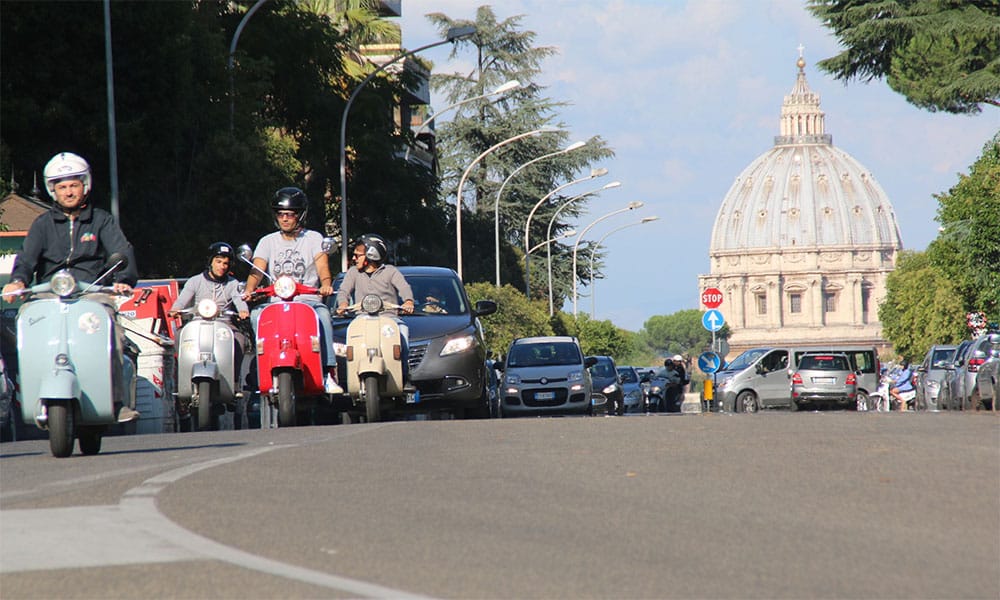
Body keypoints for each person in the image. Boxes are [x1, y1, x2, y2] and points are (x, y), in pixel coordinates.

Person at [1, 152, 140, 422]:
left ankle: (116, 400)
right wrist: (18, 281)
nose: (68, 191)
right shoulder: (42, 224)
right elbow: (27, 259)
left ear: (85, 185)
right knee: (25, 327)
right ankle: (25, 395)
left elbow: (122, 252)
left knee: (113, 332)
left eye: (73, 184)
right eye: (61, 186)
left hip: (93, 292)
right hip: (48, 293)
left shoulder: (102, 221)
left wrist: (122, 280)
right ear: (52, 190)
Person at [241, 187, 342, 394]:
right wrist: (250, 289)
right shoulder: (267, 241)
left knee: (323, 317)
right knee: (256, 316)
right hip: (276, 302)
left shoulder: (314, 239)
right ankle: (262, 369)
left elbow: (323, 267)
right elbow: (257, 270)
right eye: (280, 214)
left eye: (290, 214)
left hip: (308, 301)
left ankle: (327, 372)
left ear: (300, 215)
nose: (285, 219)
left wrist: (325, 284)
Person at [335, 233, 415, 391]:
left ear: (371, 255)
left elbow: (404, 287)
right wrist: (343, 303)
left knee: (403, 332)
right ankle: (345, 377)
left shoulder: (390, 271)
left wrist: (408, 301)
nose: (354, 258)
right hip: (362, 318)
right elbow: (343, 290)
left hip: (389, 318)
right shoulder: (353, 273)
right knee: (350, 340)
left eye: (358, 254)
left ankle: (405, 376)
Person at [168, 242, 251, 388]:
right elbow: (182, 300)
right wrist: (176, 309)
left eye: (225, 263)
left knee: (239, 340)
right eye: (218, 261)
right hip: (197, 321)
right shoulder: (195, 281)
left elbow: (239, 299)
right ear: (210, 262)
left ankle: (234, 381)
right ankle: (181, 379)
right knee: (180, 336)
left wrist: (243, 311)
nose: (222, 266)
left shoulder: (233, 283)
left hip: (225, 324)